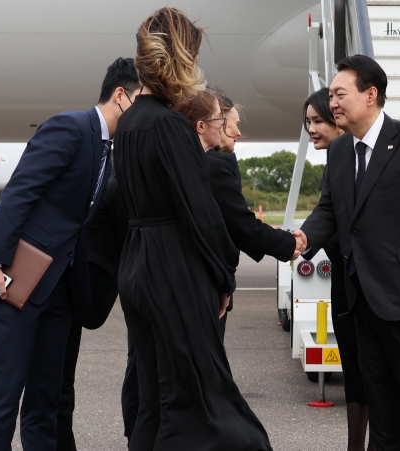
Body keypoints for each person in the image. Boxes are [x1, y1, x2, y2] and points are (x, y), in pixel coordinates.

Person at [113, 7, 272, 450]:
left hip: (138, 264)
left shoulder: (128, 123)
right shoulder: (169, 125)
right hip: (173, 268)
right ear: (183, 57)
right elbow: (199, 211)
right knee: (203, 396)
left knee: (154, 396)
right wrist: (223, 276)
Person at [0, 55, 136, 450]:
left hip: (56, 292)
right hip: (14, 282)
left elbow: (75, 224)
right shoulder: (71, 126)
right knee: (4, 396)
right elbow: (20, 193)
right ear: (121, 96)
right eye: (143, 99)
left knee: (46, 401)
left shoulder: (107, 150)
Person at [295, 55, 400, 451]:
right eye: (330, 95)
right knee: (381, 402)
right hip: (361, 299)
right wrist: (300, 240)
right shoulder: (339, 152)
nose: (332, 103)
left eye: (340, 94)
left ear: (371, 95)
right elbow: (329, 211)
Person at [54, 57, 140, 451]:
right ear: (121, 96)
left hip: (79, 280)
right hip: (64, 282)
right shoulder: (82, 136)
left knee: (60, 383)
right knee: (52, 383)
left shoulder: (117, 148)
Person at [176, 88, 301, 338]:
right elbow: (240, 226)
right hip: (199, 285)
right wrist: (289, 244)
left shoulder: (178, 160)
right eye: (229, 123)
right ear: (210, 123)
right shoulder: (211, 167)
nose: (238, 132)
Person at [302, 87, 375, 451]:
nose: (311, 129)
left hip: (375, 285)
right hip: (345, 287)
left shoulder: (364, 161)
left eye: (317, 121)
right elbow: (326, 214)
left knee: (376, 374)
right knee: (355, 374)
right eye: (308, 122)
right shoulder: (337, 162)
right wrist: (301, 241)